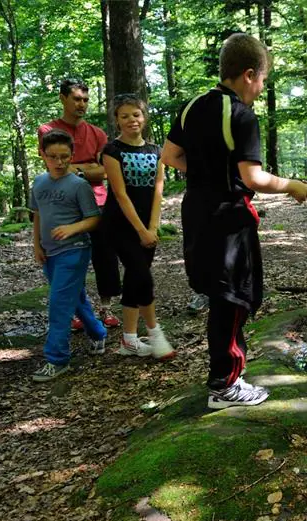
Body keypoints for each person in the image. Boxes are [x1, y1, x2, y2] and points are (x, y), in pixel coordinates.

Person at [161, 33, 307, 409]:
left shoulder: (192, 106)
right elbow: (253, 178)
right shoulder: (241, 116)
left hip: (196, 211)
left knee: (220, 294)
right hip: (228, 218)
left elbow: (170, 155)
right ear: (248, 74)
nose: (261, 88)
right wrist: (292, 185)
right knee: (232, 298)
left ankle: (227, 377)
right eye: (262, 80)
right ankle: (224, 386)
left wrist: (209, 174)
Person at [38, 78, 121, 330]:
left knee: (105, 256)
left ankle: (106, 308)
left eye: (85, 99)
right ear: (63, 98)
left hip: (98, 203)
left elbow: (105, 171)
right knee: (70, 259)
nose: (81, 104)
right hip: (63, 205)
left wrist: (78, 170)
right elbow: (55, 167)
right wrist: (89, 169)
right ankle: (78, 311)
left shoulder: (97, 133)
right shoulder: (48, 130)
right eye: (76, 99)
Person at [102, 94, 175, 360]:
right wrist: (140, 231)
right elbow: (120, 194)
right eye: (124, 116)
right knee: (142, 275)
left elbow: (158, 190)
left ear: (144, 117)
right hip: (120, 224)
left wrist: (153, 227)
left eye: (136, 114)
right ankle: (155, 334)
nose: (131, 120)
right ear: (117, 121)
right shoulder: (112, 151)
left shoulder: (157, 151)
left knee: (135, 278)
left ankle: (129, 340)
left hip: (148, 225)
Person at [31, 130, 108, 382]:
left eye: (65, 156)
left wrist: (72, 228)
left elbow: (94, 218)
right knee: (74, 298)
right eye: (53, 156)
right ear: (43, 155)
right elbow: (38, 215)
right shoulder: (39, 182)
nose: (60, 162)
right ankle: (98, 333)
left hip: (74, 250)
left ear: (72, 155)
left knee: (59, 303)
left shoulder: (78, 185)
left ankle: (57, 359)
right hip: (49, 252)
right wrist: (37, 246)